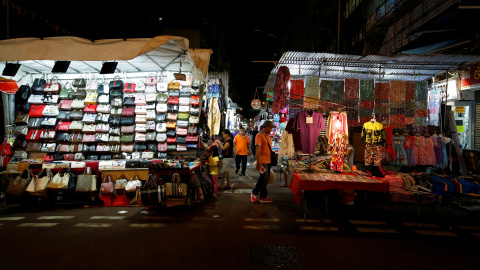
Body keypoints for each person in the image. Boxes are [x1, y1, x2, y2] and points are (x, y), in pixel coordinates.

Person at [251, 120, 275, 203]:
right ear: (267, 127)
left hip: (268, 160)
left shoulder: (267, 136)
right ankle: (254, 192)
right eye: (271, 127)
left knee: (266, 179)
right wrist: (258, 161)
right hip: (262, 160)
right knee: (263, 178)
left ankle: (263, 196)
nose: (272, 129)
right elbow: (258, 150)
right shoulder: (259, 135)